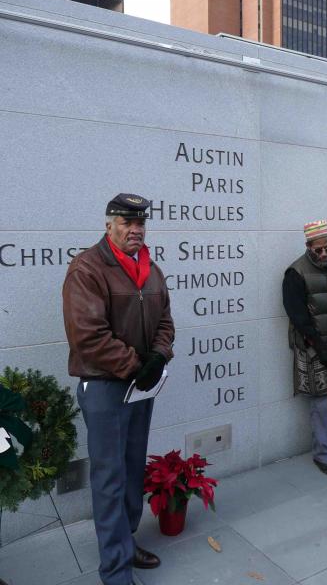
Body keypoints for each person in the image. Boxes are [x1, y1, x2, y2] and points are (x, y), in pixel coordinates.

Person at [63, 193, 175, 585]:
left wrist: (157, 358)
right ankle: (115, 569)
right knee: (110, 480)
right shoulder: (87, 268)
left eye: (140, 223)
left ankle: (125, 543)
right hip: (107, 388)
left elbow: (165, 321)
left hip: (139, 388)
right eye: (127, 223)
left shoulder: (151, 269)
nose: (135, 230)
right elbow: (87, 336)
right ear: (109, 224)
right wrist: (134, 366)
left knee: (131, 470)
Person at [282, 220, 327, 477]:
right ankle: (325, 454)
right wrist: (320, 346)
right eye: (318, 250)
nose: (324, 254)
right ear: (308, 247)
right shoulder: (296, 272)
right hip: (313, 346)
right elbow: (298, 316)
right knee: (323, 402)